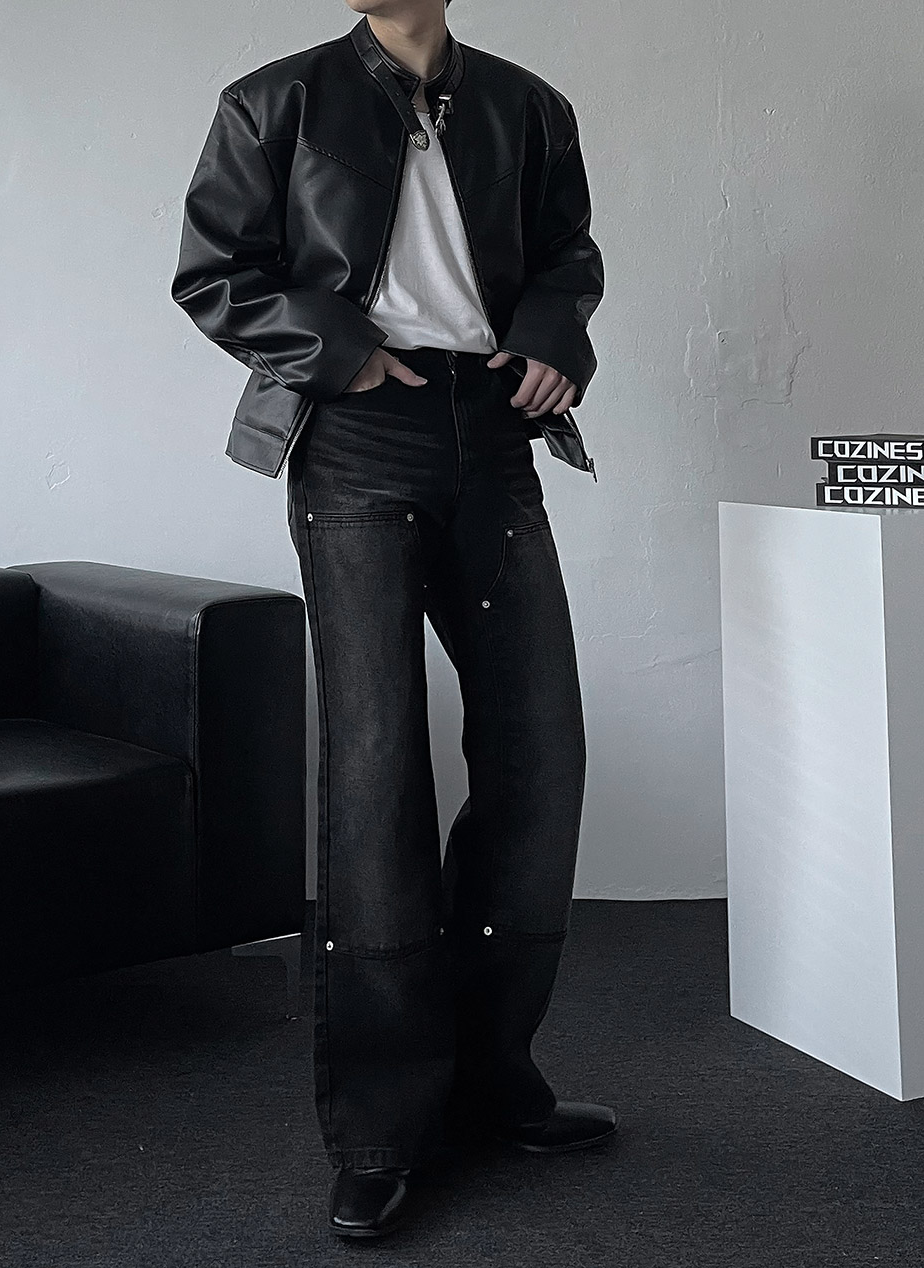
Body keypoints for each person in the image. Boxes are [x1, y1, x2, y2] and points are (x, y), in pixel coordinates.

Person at [172, 0, 616, 1240]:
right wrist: (341, 349)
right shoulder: (275, 101)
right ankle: (381, 1125)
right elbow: (214, 272)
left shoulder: (527, 106)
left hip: (496, 431)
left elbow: (569, 254)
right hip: (358, 433)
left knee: (539, 755)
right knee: (376, 773)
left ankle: (491, 1073)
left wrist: (552, 337)